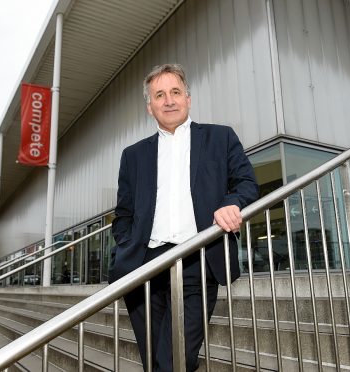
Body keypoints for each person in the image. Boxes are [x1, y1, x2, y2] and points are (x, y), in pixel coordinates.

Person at [109, 63, 258, 371]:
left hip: (198, 259)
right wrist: (126, 245)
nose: (169, 100)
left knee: (173, 360)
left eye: (175, 92)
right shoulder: (133, 155)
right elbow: (123, 214)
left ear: (188, 98)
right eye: (159, 95)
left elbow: (246, 183)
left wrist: (232, 203)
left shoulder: (220, 138)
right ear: (150, 107)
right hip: (144, 266)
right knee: (155, 361)